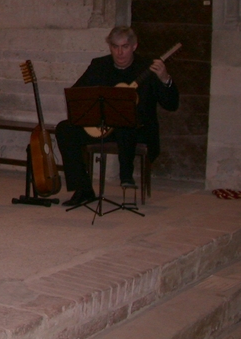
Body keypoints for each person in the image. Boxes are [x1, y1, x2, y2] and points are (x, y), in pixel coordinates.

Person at [55, 26, 179, 207]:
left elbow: (171, 105)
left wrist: (165, 78)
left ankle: (126, 175)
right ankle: (83, 189)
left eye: (125, 47)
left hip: (137, 129)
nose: (120, 52)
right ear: (110, 47)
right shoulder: (99, 65)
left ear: (134, 46)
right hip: (103, 127)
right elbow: (77, 94)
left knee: (124, 120)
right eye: (115, 47)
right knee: (65, 129)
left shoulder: (148, 69)